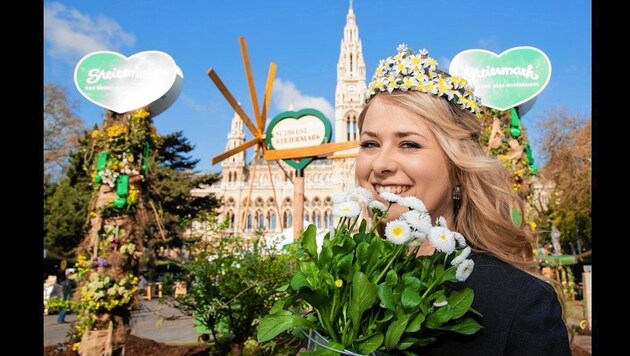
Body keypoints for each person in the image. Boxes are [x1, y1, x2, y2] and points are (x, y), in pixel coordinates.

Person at [355, 44, 571, 355]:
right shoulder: (348, 282)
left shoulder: (519, 302)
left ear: (458, 166)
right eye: (370, 143)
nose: (380, 164)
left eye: (409, 144)